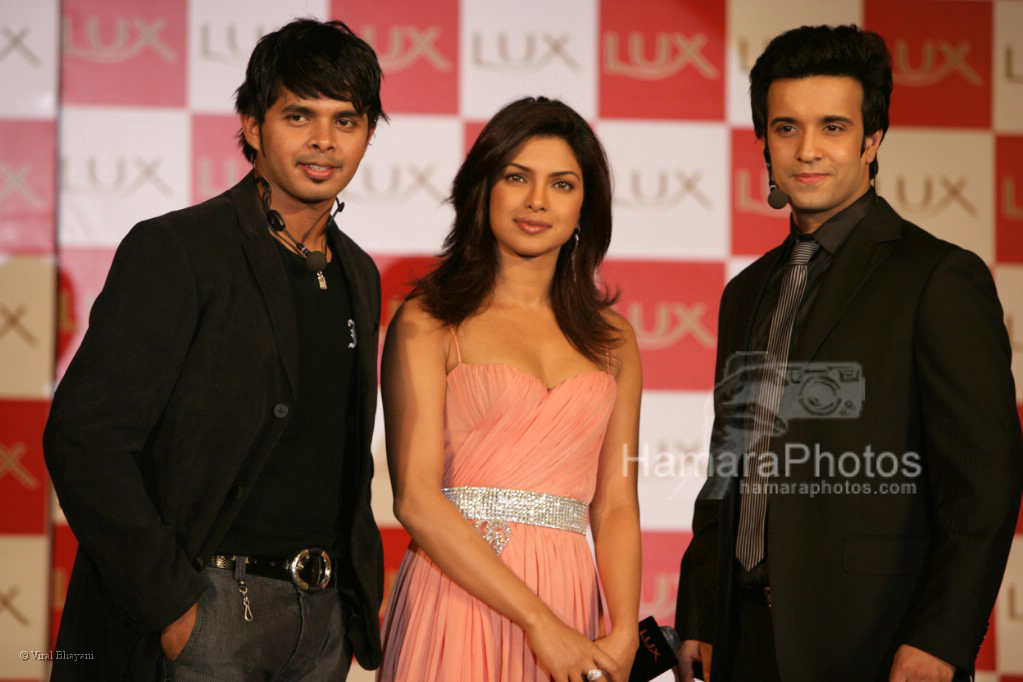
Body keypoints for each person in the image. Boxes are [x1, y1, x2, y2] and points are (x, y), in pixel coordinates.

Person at [674, 24, 1022, 682]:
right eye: (785, 128)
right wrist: (698, 611)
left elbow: (984, 484)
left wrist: (942, 640)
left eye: (832, 127)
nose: (807, 150)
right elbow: (729, 465)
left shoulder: (936, 277)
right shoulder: (744, 292)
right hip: (742, 639)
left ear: (871, 140)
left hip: (874, 642)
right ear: (763, 143)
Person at [44, 19, 387, 681]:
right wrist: (176, 610)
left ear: (369, 132)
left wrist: (345, 611)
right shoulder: (180, 250)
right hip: (208, 609)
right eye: (299, 115)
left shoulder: (358, 273)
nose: (323, 140)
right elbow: (84, 438)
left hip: (320, 625)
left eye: (346, 120)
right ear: (253, 126)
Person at [377, 97, 642, 682]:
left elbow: (617, 501)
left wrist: (623, 628)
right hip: (459, 591)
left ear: (586, 206)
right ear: (483, 188)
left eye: (562, 184)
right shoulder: (430, 319)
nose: (537, 201)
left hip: (572, 599)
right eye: (517, 177)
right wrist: (538, 621)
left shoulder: (613, 339)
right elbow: (416, 499)